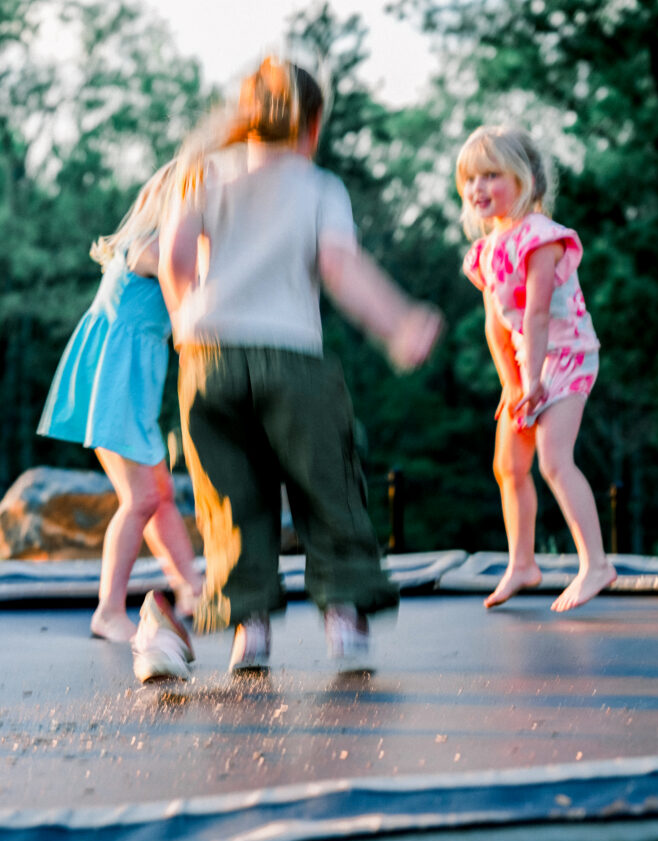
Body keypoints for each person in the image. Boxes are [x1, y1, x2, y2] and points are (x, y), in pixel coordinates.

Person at [134, 53, 443, 681]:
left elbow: (171, 260)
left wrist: (187, 323)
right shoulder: (320, 187)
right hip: (293, 357)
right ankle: (346, 619)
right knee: (326, 483)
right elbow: (340, 269)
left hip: (207, 359)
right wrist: (399, 322)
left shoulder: (201, 173)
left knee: (231, 499)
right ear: (314, 125)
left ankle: (251, 632)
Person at [37, 164, 203, 643]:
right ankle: (109, 609)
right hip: (115, 389)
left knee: (160, 494)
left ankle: (189, 586)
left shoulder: (149, 245)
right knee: (142, 498)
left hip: (127, 388)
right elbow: (190, 297)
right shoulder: (152, 249)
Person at [455, 125, 617, 612]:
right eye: (469, 179)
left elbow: (537, 314)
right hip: (529, 361)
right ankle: (522, 564)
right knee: (508, 465)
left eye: (491, 175)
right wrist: (513, 383)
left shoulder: (543, 238)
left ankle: (596, 564)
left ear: (524, 179)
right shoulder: (486, 250)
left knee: (552, 459)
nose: (477, 188)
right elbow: (494, 326)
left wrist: (535, 382)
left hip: (567, 355)